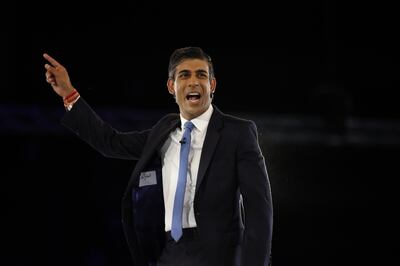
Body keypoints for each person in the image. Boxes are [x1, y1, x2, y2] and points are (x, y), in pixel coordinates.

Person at [43, 47, 273, 266]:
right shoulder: (163, 132)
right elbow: (110, 142)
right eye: (184, 75)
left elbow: (259, 210)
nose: (193, 81)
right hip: (168, 254)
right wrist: (69, 94)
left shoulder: (237, 133)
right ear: (171, 86)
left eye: (201, 75)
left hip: (219, 255)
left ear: (211, 84)